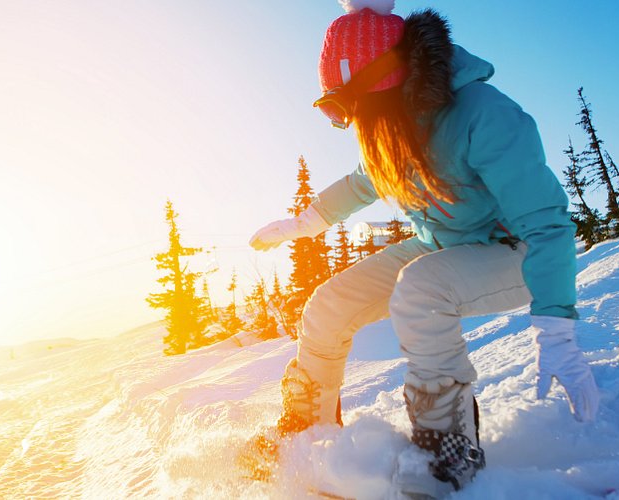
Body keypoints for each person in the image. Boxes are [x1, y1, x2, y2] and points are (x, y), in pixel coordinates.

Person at [249, 1, 599, 496]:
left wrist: (557, 327)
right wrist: (301, 223)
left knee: (421, 289)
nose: (351, 126)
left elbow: (546, 224)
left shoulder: (485, 114)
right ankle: (307, 431)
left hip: (515, 251)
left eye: (353, 110)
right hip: (439, 243)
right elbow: (361, 183)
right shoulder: (389, 125)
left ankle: (447, 446)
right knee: (327, 307)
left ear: (395, 83)